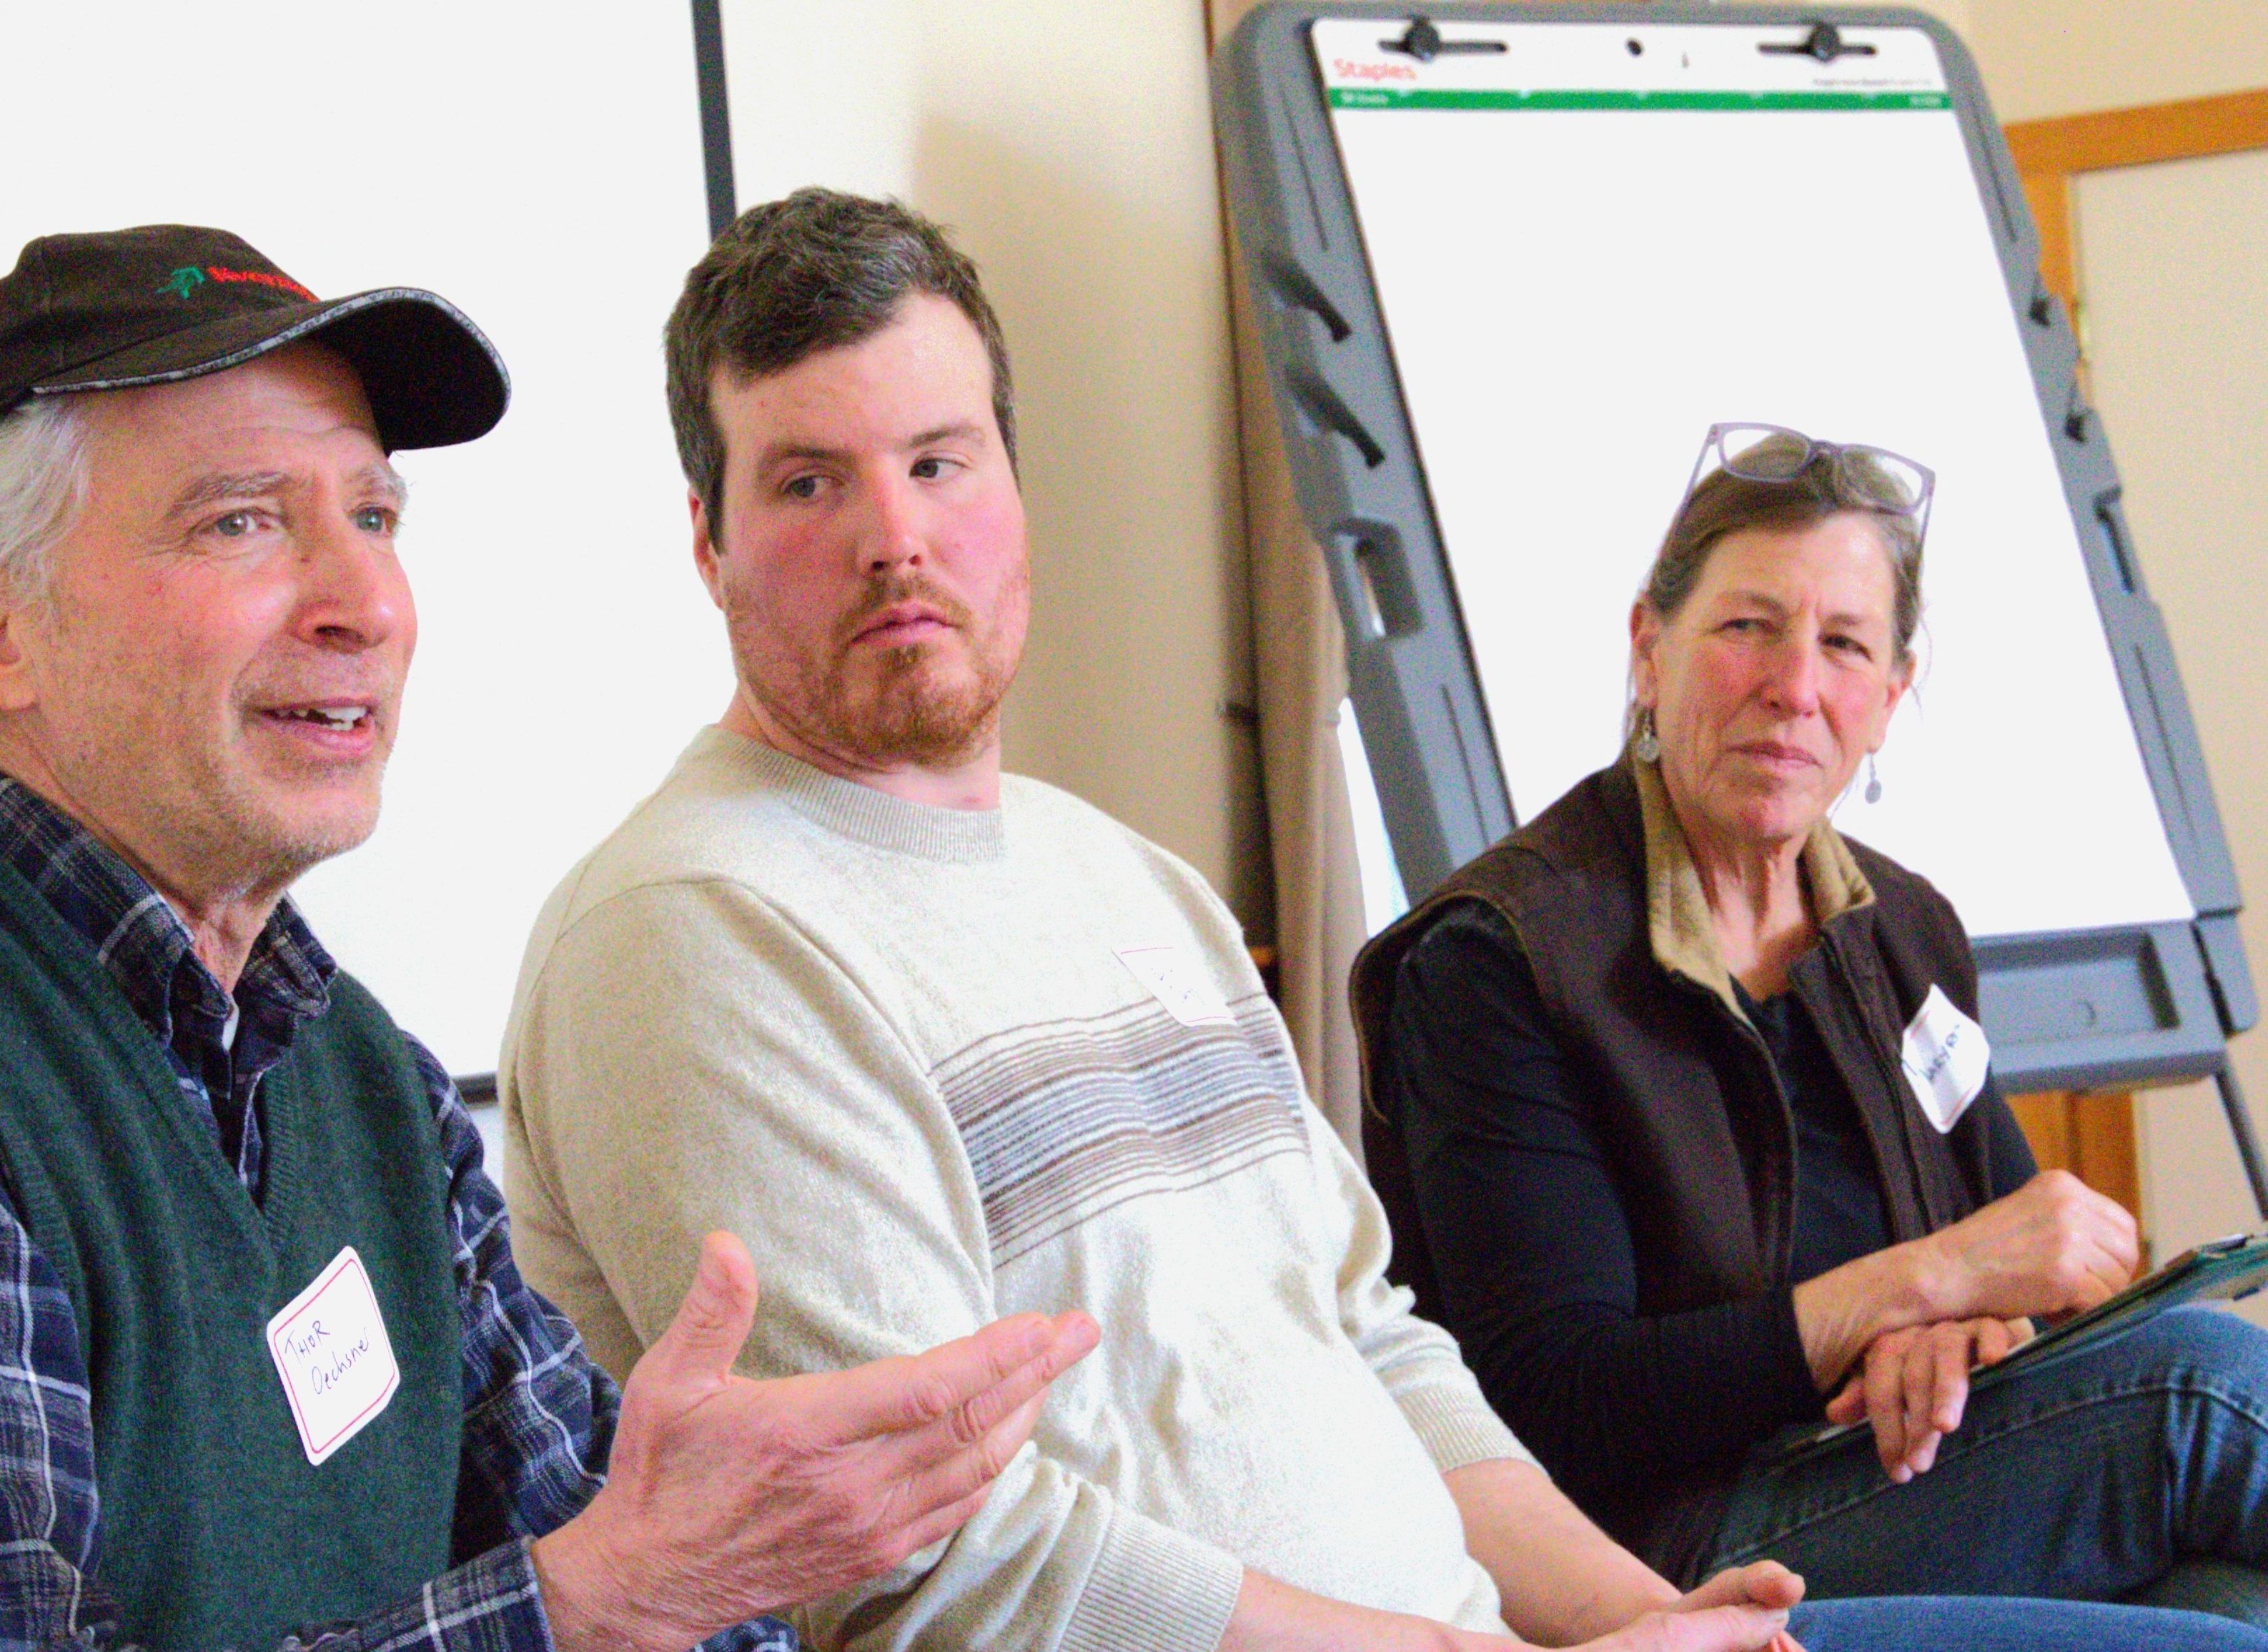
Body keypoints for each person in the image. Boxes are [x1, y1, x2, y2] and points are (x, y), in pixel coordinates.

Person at [493, 192, 2263, 1652]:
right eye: (809, 482)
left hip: (1515, 1624)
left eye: (941, 463)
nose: (897, 537)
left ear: (1017, 494)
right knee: (2201, 1419)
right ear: (709, 544)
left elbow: (1379, 1340)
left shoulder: (1130, 882)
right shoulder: (695, 936)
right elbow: (943, 1570)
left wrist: (1653, 1623)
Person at [0, 225, 1106, 1652]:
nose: (370, 597)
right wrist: (583, 1609)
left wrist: (695, 1579)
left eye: (374, 513)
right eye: (241, 523)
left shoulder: (364, 1081)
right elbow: (595, 1591)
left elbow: (643, 1575)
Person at [1354, 422, 2268, 1626]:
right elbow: (1553, 1403)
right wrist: (1913, 1287)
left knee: (2226, 1604)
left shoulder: (1898, 930)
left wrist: (1957, 1327)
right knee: (2207, 1393)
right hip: (1666, 1547)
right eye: (1747, 627)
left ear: (1889, 700)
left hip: (1901, 1472)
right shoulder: (1501, 961)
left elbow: (2035, 1258)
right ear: (1648, 648)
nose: (1795, 685)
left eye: (1845, 645)